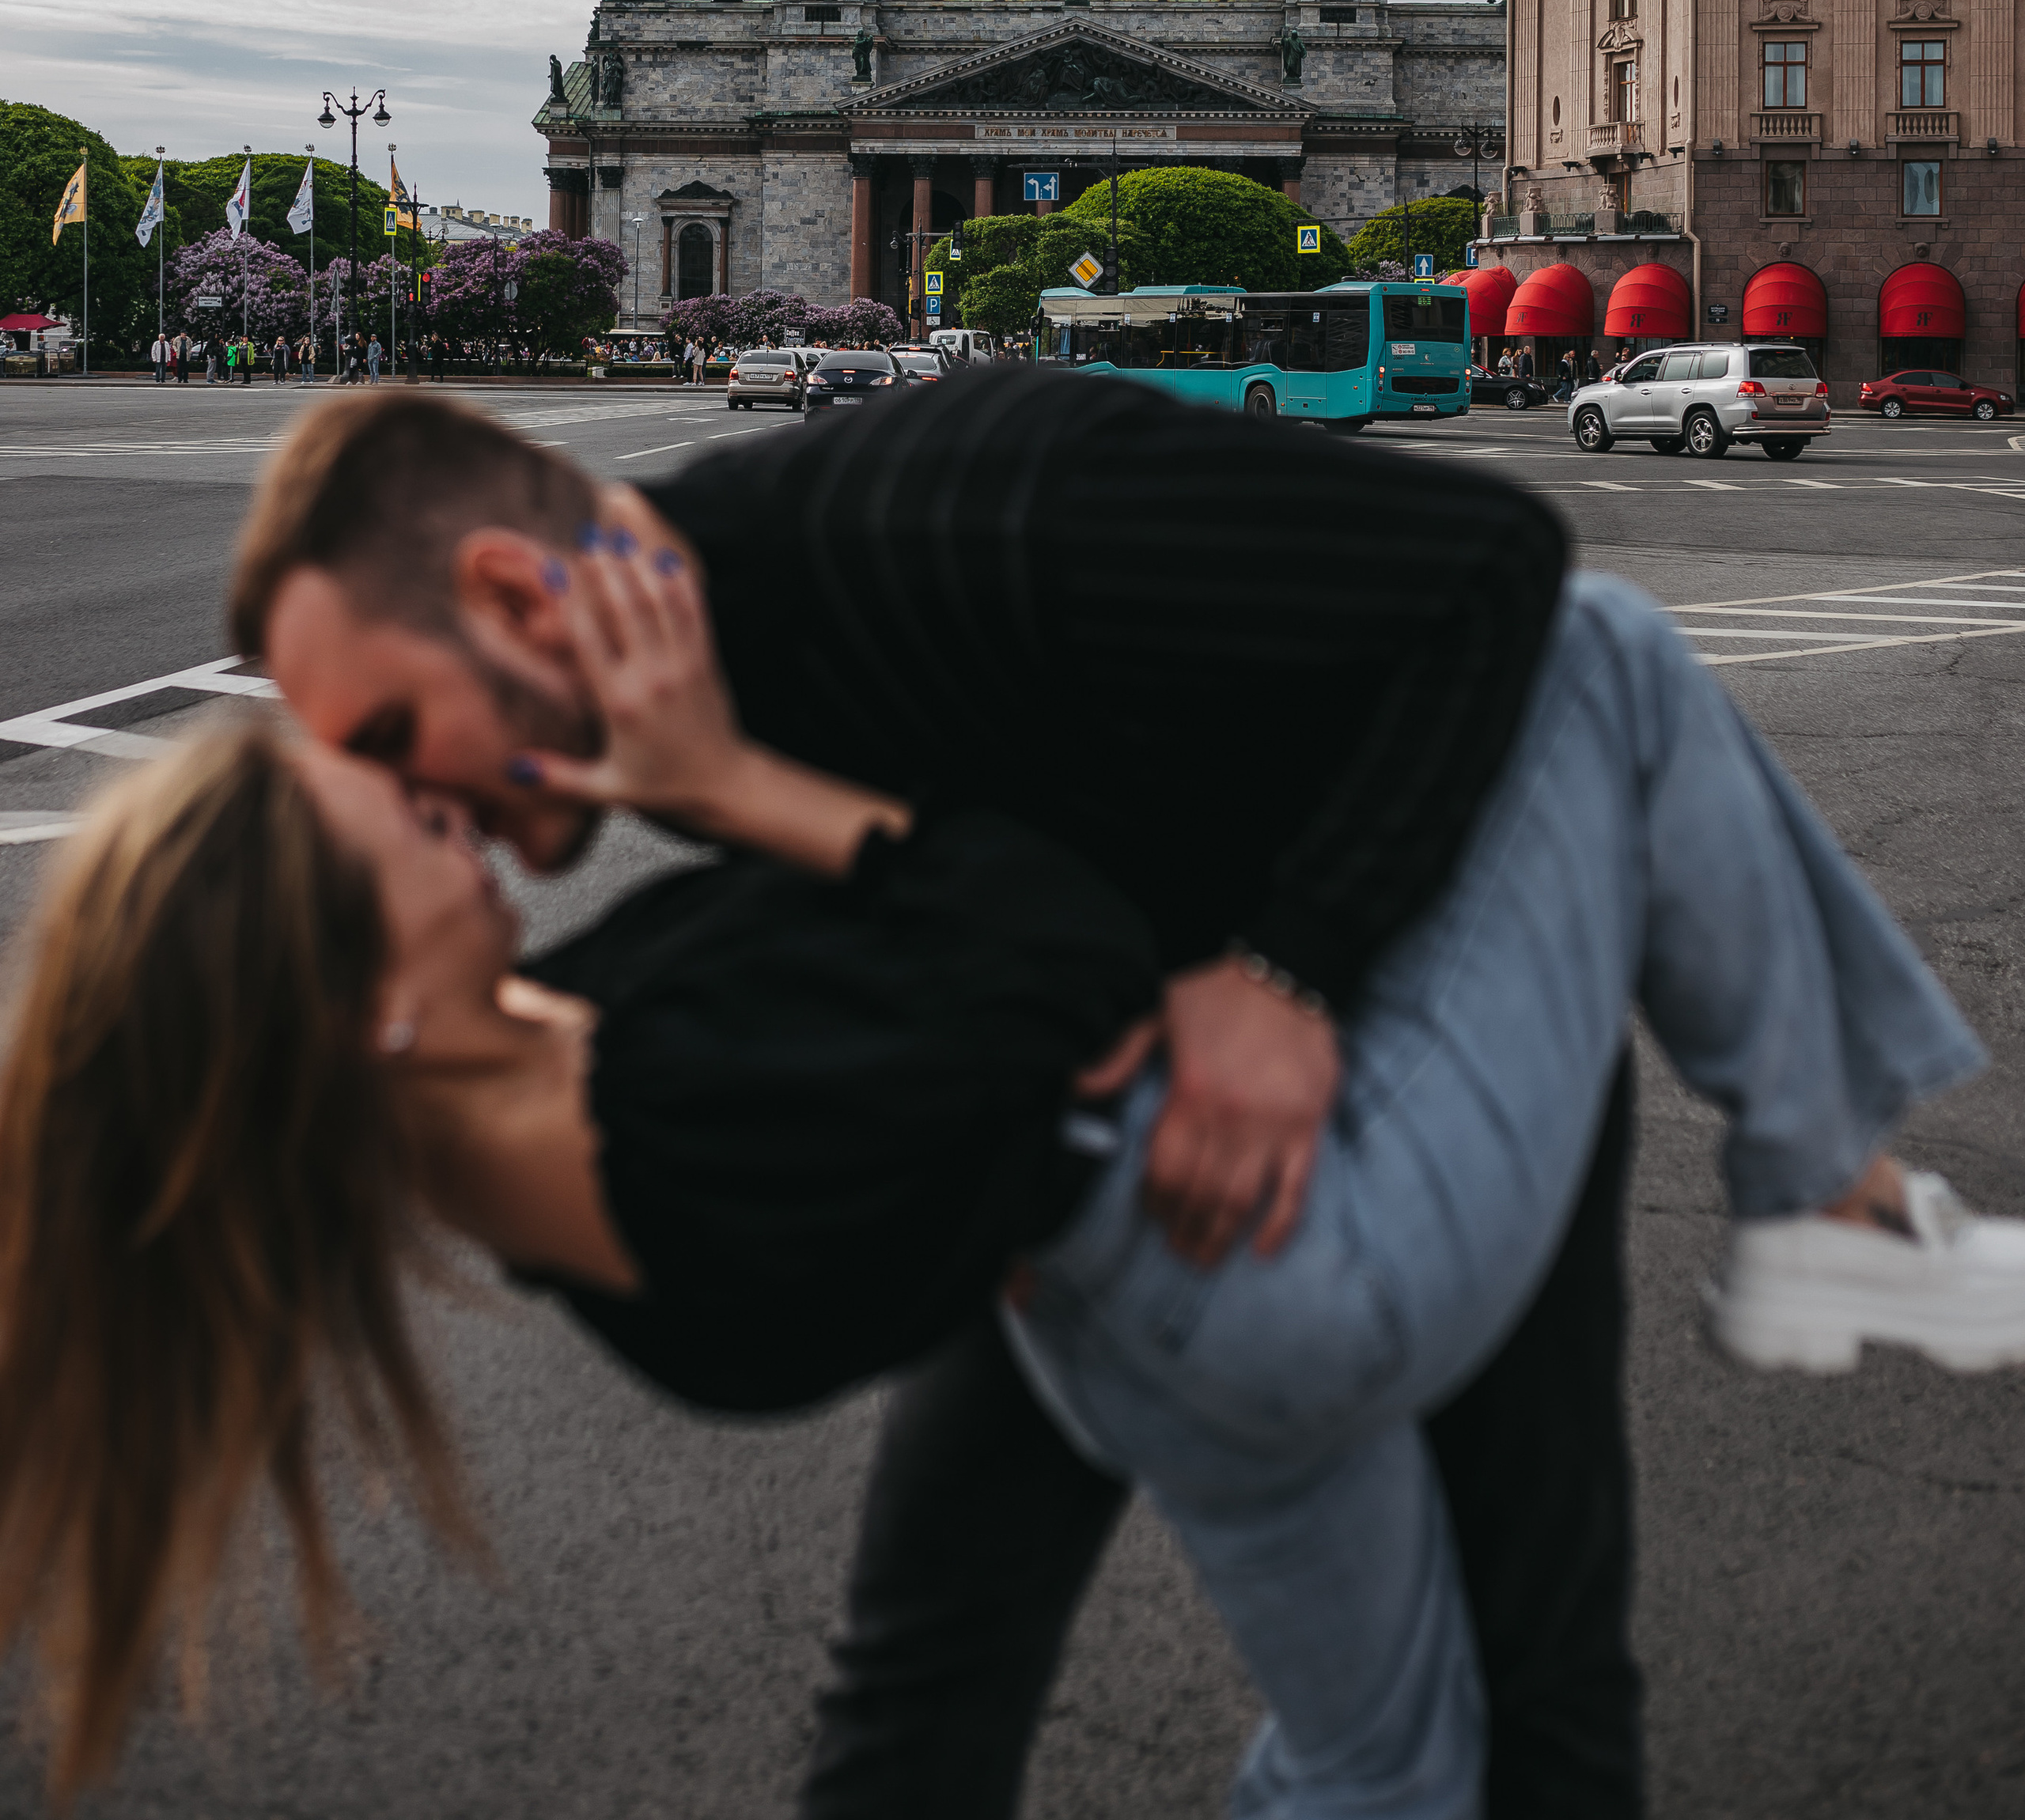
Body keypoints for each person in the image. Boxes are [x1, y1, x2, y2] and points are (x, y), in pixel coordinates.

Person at [0, 511, 2015, 1812]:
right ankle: (1816, 1198)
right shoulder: (643, 1115)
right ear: (335, 1001)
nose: (403, 787)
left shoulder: (526, 1068)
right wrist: (734, 783)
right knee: (1597, 650)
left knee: (1391, 1767)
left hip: (1140, 1311)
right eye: (350, 812)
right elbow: (1047, 953)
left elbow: (923, 1044)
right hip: (1299, 1267)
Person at [221, 390, 1600, 1807]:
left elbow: (1496, 560)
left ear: (511, 591)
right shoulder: (667, 753)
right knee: (928, 1669)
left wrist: (1289, 965)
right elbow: (856, 966)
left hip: (1400, 994)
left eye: (391, 735)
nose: (418, 800)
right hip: (1059, 1147)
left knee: (1525, 1644)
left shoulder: (946, 498)